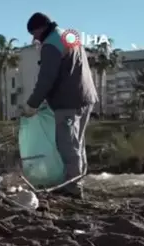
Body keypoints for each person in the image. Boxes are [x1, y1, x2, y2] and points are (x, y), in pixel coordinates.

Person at [22, 12, 98, 199]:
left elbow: (46, 78)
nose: (34, 38)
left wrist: (32, 104)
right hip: (86, 97)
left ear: (41, 28)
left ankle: (73, 187)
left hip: (69, 102)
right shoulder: (68, 36)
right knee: (77, 143)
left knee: (67, 145)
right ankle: (76, 180)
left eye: (34, 33)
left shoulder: (51, 44)